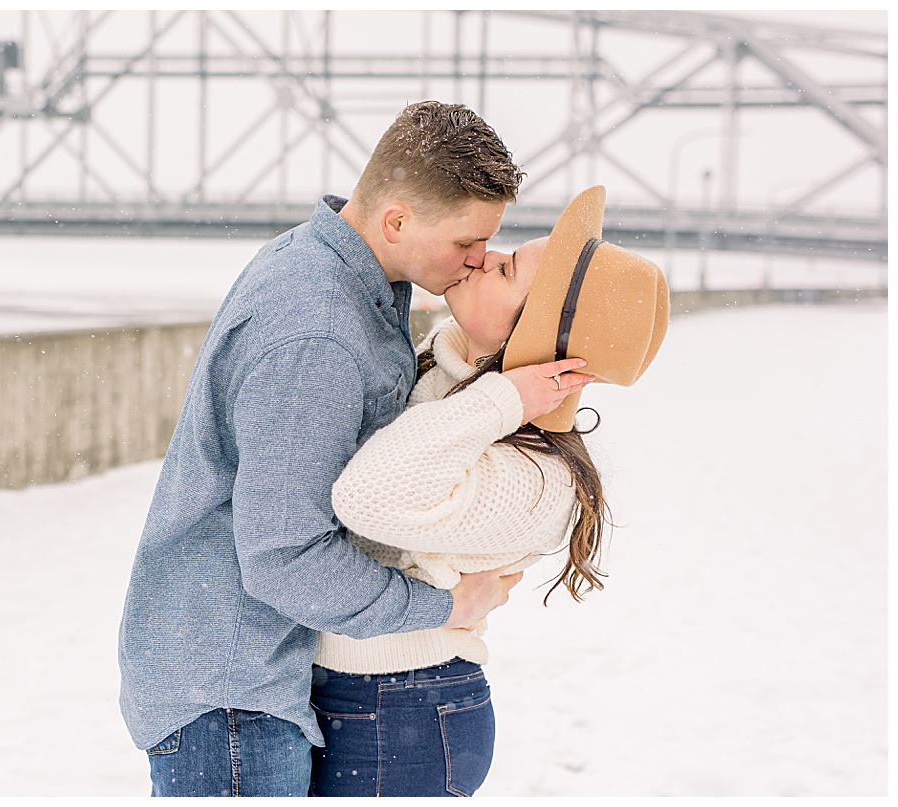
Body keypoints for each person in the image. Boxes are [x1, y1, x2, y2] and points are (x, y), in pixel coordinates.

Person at [117, 100, 576, 797]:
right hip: (234, 692)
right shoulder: (321, 331)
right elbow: (284, 557)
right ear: (397, 220)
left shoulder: (328, 275)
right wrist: (445, 607)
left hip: (239, 672)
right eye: (468, 243)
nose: (480, 259)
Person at [309, 185, 670, 797]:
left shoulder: (537, 478)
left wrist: (505, 396)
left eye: (504, 270)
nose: (481, 257)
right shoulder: (438, 371)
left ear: (526, 339)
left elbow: (366, 496)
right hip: (350, 694)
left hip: (407, 711)